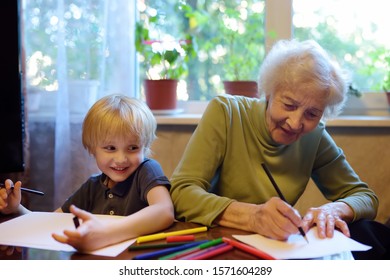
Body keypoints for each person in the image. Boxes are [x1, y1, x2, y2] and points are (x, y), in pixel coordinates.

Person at [170, 39, 389, 259]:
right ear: (269, 91)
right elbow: (181, 192)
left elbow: (365, 197)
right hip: (215, 249)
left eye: (312, 114)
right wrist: (252, 216)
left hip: (276, 254)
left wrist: (332, 210)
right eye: (289, 105)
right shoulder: (226, 113)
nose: (295, 123)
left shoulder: (314, 136)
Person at [0, 94, 174, 252]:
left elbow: (164, 210)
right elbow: (51, 222)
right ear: (92, 149)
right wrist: (17, 209)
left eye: (133, 148)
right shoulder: (92, 187)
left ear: (146, 146)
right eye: (110, 148)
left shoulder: (147, 170)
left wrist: (107, 233)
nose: (121, 158)